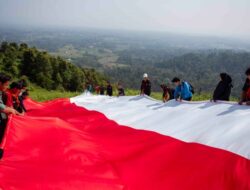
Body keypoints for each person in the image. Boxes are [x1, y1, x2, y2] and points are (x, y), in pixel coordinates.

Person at [0, 73, 20, 144]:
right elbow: (1, 107)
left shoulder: (2, 92)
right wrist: (12, 110)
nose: (7, 87)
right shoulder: (7, 94)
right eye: (6, 85)